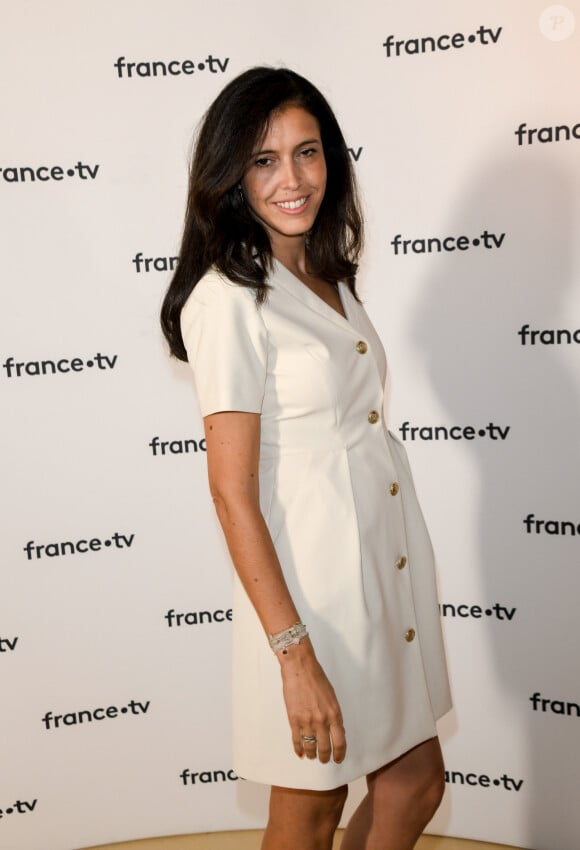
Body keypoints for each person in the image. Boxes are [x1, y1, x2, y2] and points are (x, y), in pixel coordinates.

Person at [161, 66, 452, 850]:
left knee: (415, 781)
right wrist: (294, 657)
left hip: (378, 576)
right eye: (264, 159)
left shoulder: (323, 275)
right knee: (311, 810)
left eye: (308, 151)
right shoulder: (227, 298)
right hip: (309, 598)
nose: (293, 178)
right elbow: (231, 492)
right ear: (230, 176)